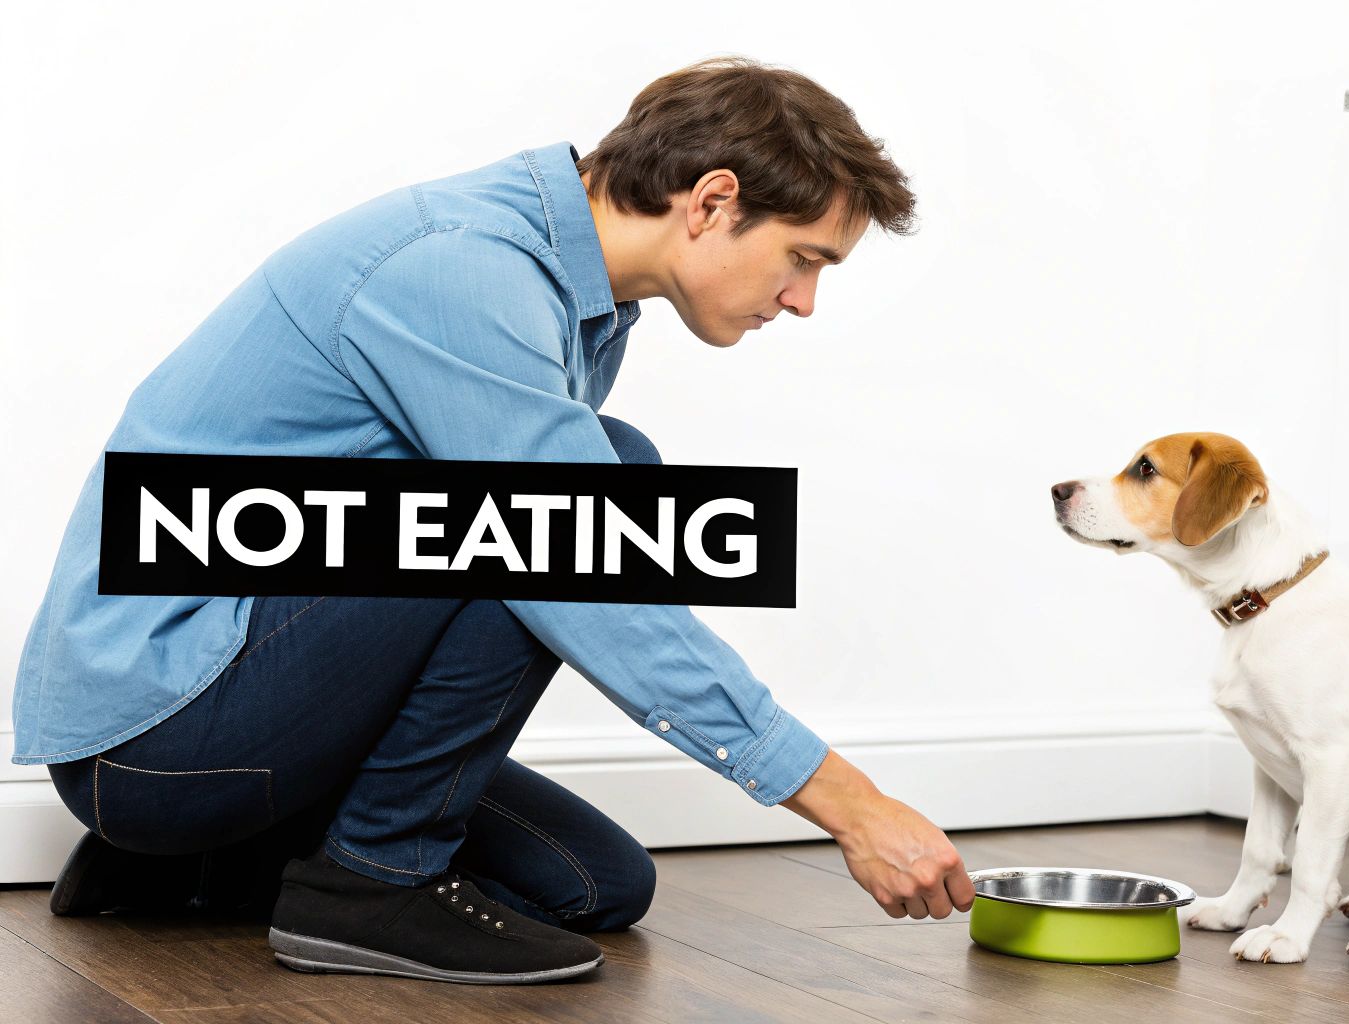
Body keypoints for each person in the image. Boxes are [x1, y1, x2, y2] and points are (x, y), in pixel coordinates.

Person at [10, 57, 974, 985]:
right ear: (713, 201)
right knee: (596, 492)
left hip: (228, 716)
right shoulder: (463, 269)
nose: (804, 301)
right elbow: (581, 581)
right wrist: (849, 803)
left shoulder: (570, 295)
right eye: (804, 259)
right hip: (159, 740)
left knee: (598, 884)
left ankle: (194, 864)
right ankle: (366, 885)